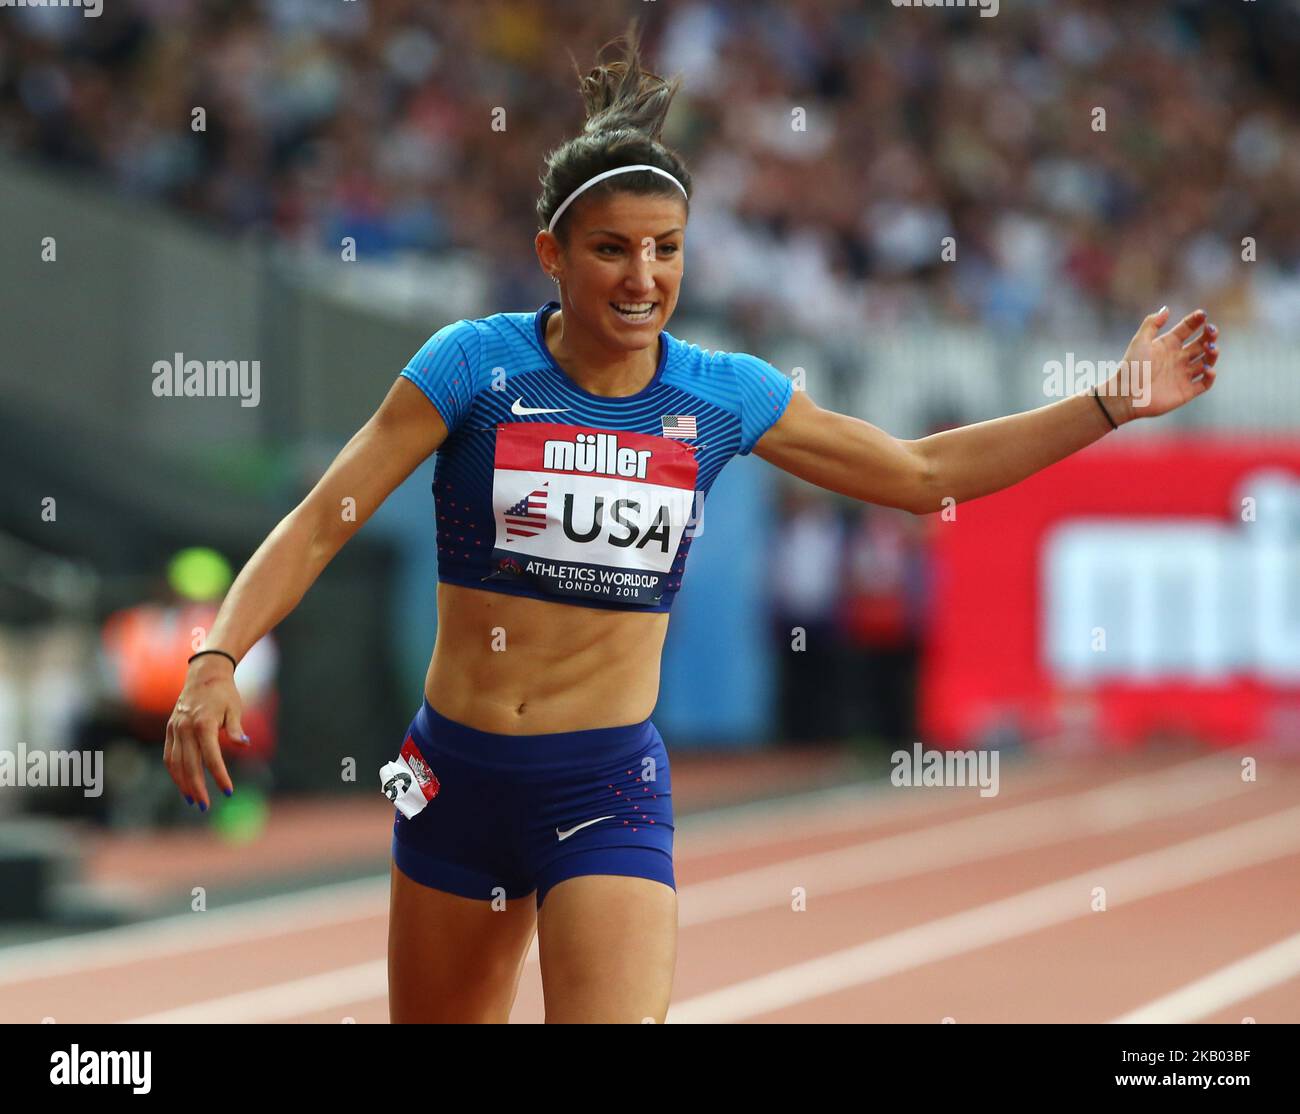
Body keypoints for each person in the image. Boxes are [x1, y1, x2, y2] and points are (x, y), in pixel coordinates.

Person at [162, 26, 1221, 1023]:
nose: (643, 278)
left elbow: (919, 471)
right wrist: (219, 652)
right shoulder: (471, 367)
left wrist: (1108, 403)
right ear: (552, 252)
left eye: (666, 249)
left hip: (603, 782)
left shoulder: (724, 395)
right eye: (612, 250)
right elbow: (318, 520)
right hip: (455, 778)